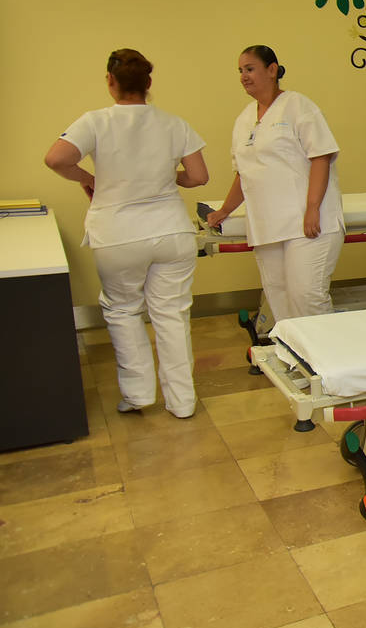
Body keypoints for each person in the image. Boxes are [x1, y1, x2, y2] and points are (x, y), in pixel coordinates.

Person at [45, 48, 209, 418]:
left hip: (118, 235)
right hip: (172, 233)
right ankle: (183, 403)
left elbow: (56, 158)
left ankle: (138, 396)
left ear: (110, 81)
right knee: (172, 314)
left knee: (122, 310)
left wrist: (87, 178)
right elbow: (199, 176)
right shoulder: (174, 123)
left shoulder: (96, 121)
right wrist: (168, 176)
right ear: (148, 83)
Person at [206, 45, 344, 328]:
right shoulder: (244, 119)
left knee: (307, 298)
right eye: (240, 71)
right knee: (279, 303)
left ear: (272, 70)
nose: (244, 76)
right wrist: (225, 210)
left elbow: (321, 156)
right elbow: (244, 174)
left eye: (250, 69)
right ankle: (292, 354)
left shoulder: (298, 106)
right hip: (267, 226)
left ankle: (324, 354)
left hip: (308, 224)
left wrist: (313, 208)